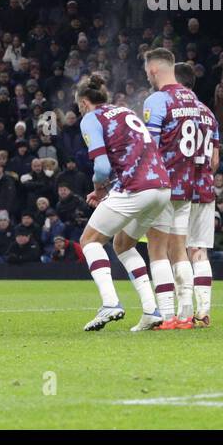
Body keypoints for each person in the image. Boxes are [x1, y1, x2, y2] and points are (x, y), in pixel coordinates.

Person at [75, 73, 172, 333]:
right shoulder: (124, 111)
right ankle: (152, 310)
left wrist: (98, 189)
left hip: (136, 187)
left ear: (84, 102)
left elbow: (102, 167)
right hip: (162, 187)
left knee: (89, 241)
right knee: (123, 244)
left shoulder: (90, 118)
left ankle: (110, 303)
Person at [128, 47, 205, 329]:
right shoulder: (192, 98)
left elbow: (151, 147)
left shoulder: (157, 100)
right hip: (187, 183)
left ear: (153, 70)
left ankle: (167, 315)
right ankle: (186, 315)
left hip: (163, 184)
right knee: (180, 249)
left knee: (158, 250)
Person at [175, 62, 221, 327]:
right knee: (199, 250)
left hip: (179, 187)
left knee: (175, 251)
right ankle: (203, 311)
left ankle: (182, 313)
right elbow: (214, 161)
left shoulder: (175, 110)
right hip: (204, 186)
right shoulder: (208, 114)